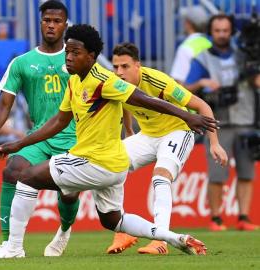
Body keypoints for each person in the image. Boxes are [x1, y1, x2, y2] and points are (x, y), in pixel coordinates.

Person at [0, 24, 219, 258]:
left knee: (26, 178)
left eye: (75, 53)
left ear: (92, 56)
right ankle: (173, 238)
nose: (68, 58)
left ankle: (14, 248)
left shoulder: (103, 81)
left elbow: (143, 99)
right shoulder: (74, 81)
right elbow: (58, 122)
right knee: (113, 220)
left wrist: (186, 115)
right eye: (67, 52)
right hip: (113, 164)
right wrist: (18, 144)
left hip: (95, 161)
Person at [105, 42, 228, 255]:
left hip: (177, 131)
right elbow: (124, 102)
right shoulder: (116, 82)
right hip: (148, 135)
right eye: (116, 67)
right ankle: (125, 228)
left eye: (124, 66)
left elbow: (202, 106)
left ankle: (160, 239)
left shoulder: (159, 81)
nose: (119, 72)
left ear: (138, 66)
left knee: (160, 178)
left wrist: (214, 143)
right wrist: (128, 131)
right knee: (107, 164)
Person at [0, 0, 80, 258]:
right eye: (47, 20)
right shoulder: (22, 63)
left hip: (75, 137)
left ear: (65, 25)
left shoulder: (78, 60)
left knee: (68, 193)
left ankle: (65, 229)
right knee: (12, 169)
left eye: (57, 21)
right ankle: (9, 246)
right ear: (40, 23)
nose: (51, 25)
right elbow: (4, 104)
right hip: (39, 137)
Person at [185, 14, 259, 231]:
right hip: (217, 123)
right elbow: (184, 88)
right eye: (217, 31)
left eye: (225, 31)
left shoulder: (245, 54)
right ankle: (216, 218)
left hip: (246, 119)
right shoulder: (202, 58)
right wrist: (202, 82)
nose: (222, 35)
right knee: (217, 174)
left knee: (247, 172)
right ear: (211, 32)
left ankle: (243, 217)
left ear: (231, 31)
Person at [170, 5, 211, 84]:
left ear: (188, 23)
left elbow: (178, 81)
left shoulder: (185, 47)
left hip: (193, 94)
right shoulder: (209, 42)